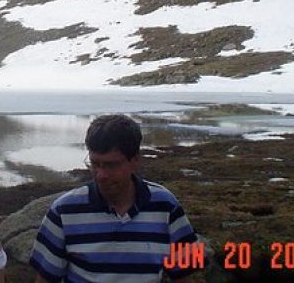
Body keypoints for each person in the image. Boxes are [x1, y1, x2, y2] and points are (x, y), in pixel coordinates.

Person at [29, 114, 203, 282]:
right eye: (95, 163)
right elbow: (44, 278)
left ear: (135, 161)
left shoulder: (166, 206)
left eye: (111, 165)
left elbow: (187, 276)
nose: (101, 175)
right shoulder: (64, 211)